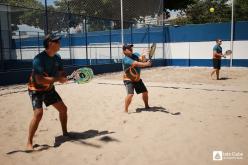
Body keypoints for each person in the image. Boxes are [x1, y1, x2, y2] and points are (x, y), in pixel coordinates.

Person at [27, 33, 69, 150]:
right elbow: (39, 80)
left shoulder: (58, 57)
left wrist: (64, 77)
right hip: (36, 89)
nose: (59, 43)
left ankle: (65, 133)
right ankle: (29, 142)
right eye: (57, 42)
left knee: (63, 109)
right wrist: (57, 79)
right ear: (50, 44)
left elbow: (60, 72)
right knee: (38, 114)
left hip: (49, 89)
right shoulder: (38, 59)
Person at [122, 44, 151, 113]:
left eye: (131, 48)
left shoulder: (135, 54)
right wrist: (147, 64)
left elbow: (142, 60)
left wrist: (144, 56)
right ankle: (125, 110)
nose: (131, 49)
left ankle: (146, 106)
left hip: (137, 79)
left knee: (145, 92)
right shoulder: (125, 59)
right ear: (124, 51)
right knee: (130, 94)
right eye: (129, 48)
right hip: (128, 79)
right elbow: (136, 63)